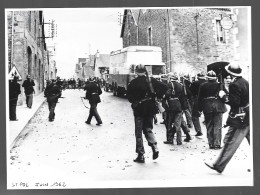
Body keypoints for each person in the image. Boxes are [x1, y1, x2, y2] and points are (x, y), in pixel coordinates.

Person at [205, 62, 250, 173]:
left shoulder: (234, 84)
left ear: (230, 73)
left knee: (230, 141)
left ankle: (218, 165)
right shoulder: (245, 82)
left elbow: (234, 102)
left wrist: (223, 96)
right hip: (248, 115)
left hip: (239, 118)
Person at [127, 64, 168, 163]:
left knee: (139, 133)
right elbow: (164, 87)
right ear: (145, 71)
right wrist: (156, 95)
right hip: (150, 109)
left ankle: (141, 155)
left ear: (136, 72)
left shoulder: (132, 83)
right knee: (148, 129)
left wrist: (136, 100)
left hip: (139, 110)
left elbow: (129, 98)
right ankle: (155, 147)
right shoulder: (151, 80)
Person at [198, 70, 227, 149]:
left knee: (209, 125)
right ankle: (217, 144)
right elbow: (225, 95)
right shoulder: (220, 85)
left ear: (207, 78)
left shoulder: (203, 85)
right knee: (218, 126)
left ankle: (211, 143)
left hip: (207, 107)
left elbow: (200, 98)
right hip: (218, 106)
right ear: (215, 78)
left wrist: (199, 109)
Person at [164, 73, 191, 145]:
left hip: (171, 106)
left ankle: (170, 139)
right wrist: (184, 107)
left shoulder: (169, 85)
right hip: (179, 106)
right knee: (178, 123)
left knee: (169, 123)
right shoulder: (181, 86)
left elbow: (167, 94)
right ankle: (179, 140)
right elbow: (183, 98)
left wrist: (164, 98)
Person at [189, 72, 207, 136]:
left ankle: (198, 130)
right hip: (207, 100)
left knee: (195, 116)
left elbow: (190, 92)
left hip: (197, 99)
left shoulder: (195, 83)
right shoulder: (207, 82)